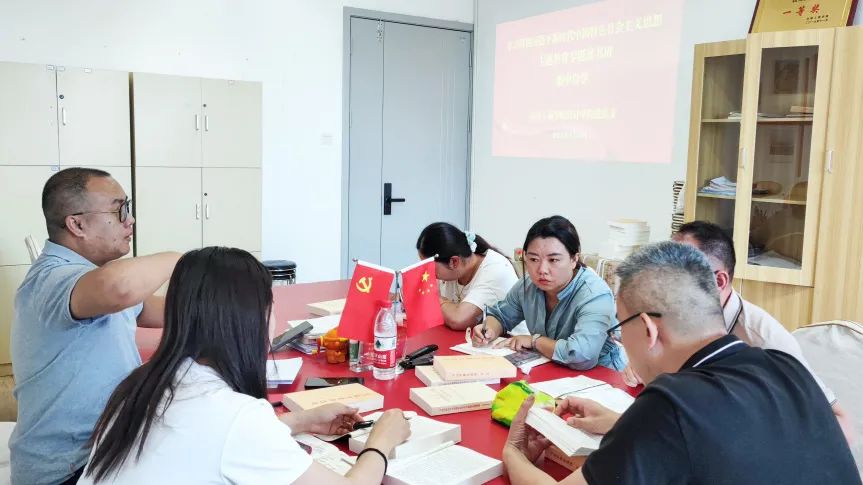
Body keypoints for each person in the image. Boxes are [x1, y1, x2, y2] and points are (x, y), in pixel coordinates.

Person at [502, 242, 860, 485]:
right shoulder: (784, 366)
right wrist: (622, 425)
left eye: (619, 327)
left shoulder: (670, 402)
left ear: (648, 330)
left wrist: (513, 453)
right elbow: (734, 441)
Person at [78, 247, 411, 484]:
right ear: (252, 319)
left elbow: (210, 438)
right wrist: (380, 442)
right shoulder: (236, 415)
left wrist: (301, 421)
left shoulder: (141, 384)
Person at [10, 168, 181, 485]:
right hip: (67, 472)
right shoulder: (51, 279)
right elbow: (119, 287)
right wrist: (187, 260)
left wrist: (224, 305)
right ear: (77, 224)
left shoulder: (91, 281)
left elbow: (162, 310)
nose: (130, 221)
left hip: (104, 453)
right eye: (119, 210)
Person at [621, 220, 852, 442]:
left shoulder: (764, 340)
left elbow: (840, 424)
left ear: (719, 281)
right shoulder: (674, 321)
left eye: (680, 272)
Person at [470, 216, 624, 370]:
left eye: (553, 260)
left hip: (600, 375)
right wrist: (489, 330)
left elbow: (581, 355)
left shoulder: (594, 294)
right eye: (533, 259)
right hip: (550, 368)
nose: (542, 270)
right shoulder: (528, 285)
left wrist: (535, 341)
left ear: (574, 259)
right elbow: (501, 316)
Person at [416, 222, 518, 330]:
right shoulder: (450, 267)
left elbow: (458, 319)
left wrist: (433, 298)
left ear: (454, 262)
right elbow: (421, 303)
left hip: (511, 339)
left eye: (429, 266)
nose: (427, 272)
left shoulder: (495, 270)